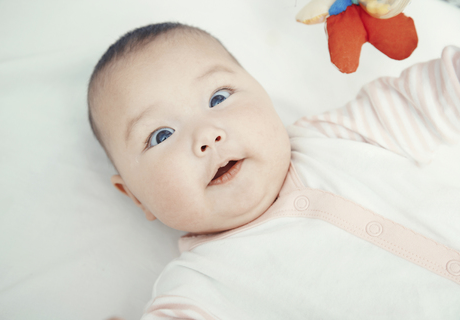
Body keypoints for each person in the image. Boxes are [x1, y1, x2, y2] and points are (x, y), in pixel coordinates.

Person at [88, 22, 460, 319]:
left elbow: (434, 92)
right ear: (136, 197)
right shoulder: (199, 288)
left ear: (264, 96)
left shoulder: (341, 136)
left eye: (218, 98)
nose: (206, 135)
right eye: (161, 135)